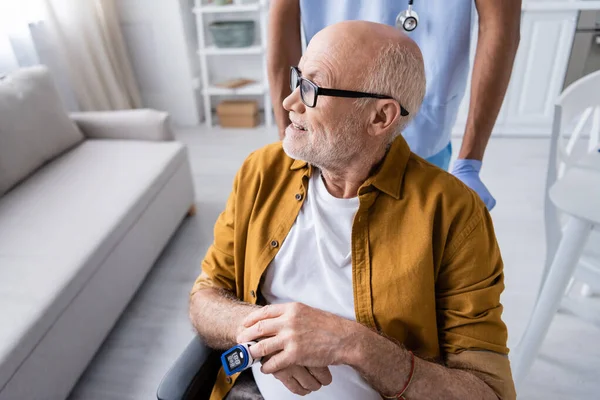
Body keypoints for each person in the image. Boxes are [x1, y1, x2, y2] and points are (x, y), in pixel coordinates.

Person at [189, 21, 515, 400]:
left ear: (380, 117)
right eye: (298, 79)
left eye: (312, 88)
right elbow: (206, 295)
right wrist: (263, 331)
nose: (289, 102)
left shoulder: (455, 214)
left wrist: (354, 344)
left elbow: (489, 392)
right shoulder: (261, 171)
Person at [267, 0, 521, 211]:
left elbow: (500, 27)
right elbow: (282, 22)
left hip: (426, 130)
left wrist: (470, 161)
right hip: (325, 126)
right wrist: (291, 139)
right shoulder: (256, 175)